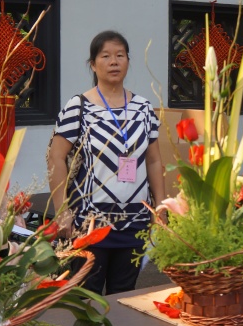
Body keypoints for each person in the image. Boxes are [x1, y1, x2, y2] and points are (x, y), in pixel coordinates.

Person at [46, 30, 165, 295]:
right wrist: (62, 210)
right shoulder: (79, 106)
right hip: (90, 223)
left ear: (128, 61)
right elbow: (56, 157)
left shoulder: (144, 109)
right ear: (93, 64)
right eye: (106, 56)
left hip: (134, 221)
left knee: (124, 295)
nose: (114, 62)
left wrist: (160, 209)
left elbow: (154, 161)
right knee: (86, 297)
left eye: (120, 55)